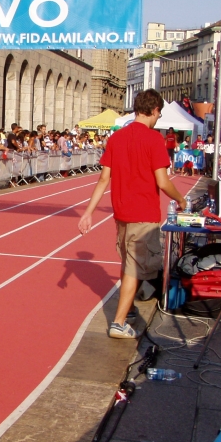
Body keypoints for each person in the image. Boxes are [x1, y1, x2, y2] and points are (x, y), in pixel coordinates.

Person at [77, 89, 187, 339]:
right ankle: (118, 322)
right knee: (135, 268)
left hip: (122, 212)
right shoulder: (154, 140)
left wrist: (88, 212)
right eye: (159, 114)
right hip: (144, 212)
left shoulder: (116, 138)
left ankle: (127, 311)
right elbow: (162, 181)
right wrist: (180, 198)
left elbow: (104, 178)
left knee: (128, 264)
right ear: (155, 110)